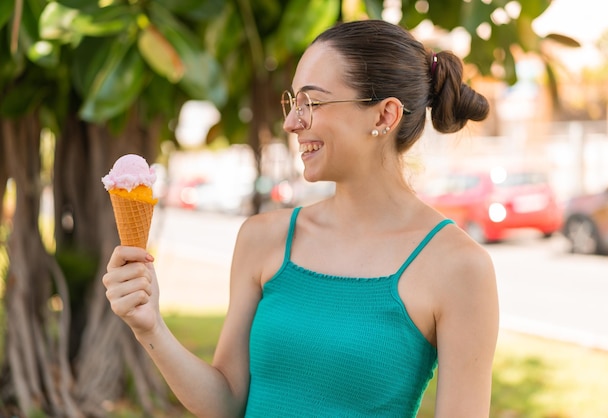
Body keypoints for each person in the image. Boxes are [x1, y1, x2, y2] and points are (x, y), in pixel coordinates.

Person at [103, 19, 499, 417]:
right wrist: (149, 325)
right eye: (292, 102)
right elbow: (225, 402)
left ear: (384, 116)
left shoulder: (459, 268)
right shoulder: (263, 239)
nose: (292, 122)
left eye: (312, 103)